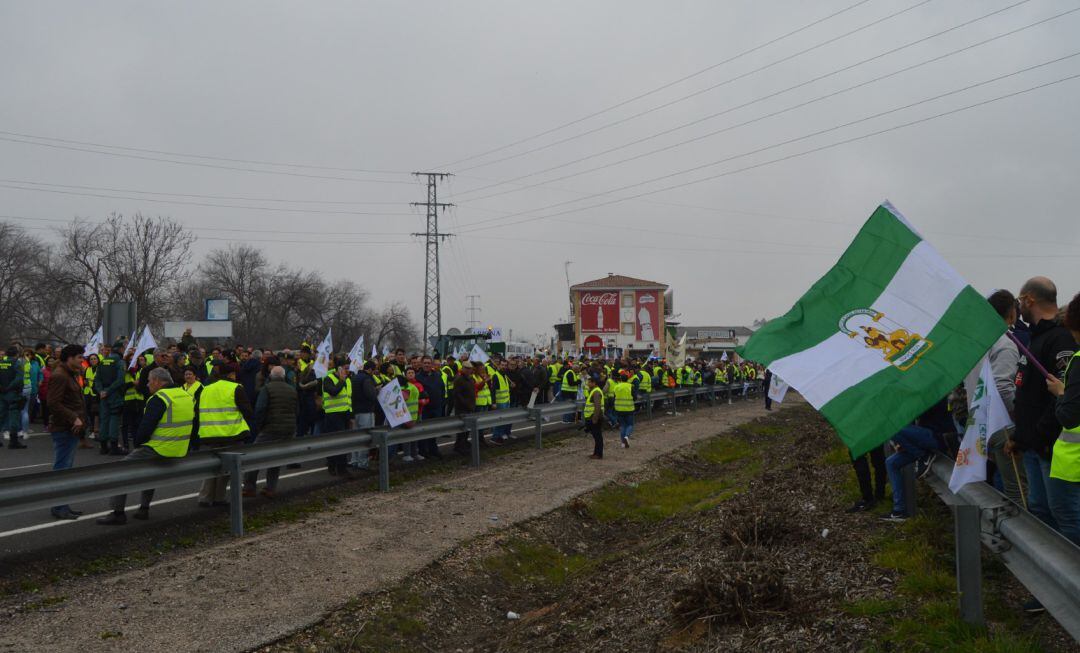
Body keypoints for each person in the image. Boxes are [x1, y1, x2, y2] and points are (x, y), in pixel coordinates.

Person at [1008, 277, 1077, 538]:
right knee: (1039, 509)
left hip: (1053, 448)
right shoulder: (1034, 339)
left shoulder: (1060, 339)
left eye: (1020, 299)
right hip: (1033, 446)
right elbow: (1028, 396)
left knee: (1064, 514)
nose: (1019, 306)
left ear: (1029, 300)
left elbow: (1062, 396)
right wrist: (1020, 437)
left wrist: (1038, 435)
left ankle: (1067, 575)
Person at [97, 367, 195, 524]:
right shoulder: (186, 395)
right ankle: (143, 509)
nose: (148, 385)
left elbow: (146, 427)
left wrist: (138, 444)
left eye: (149, 381)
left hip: (158, 447)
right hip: (178, 448)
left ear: (157, 381)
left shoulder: (159, 398)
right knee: (150, 472)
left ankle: (117, 513)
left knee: (119, 471)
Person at [967, 290, 1025, 505]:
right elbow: (1003, 387)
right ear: (1011, 314)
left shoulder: (977, 342)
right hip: (1002, 425)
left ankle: (992, 532)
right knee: (1017, 488)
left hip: (978, 421)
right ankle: (1014, 536)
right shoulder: (1006, 343)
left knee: (994, 483)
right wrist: (1019, 416)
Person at [1044, 291, 1080, 546]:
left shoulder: (1078, 361)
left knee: (1067, 517)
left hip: (1072, 463)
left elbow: (1068, 415)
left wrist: (1060, 393)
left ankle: (1069, 583)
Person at [882, 398, 953, 522]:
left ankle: (922, 457)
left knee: (893, 428)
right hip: (923, 442)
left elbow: (910, 415)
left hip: (937, 438)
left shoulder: (934, 396)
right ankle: (899, 510)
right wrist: (904, 442)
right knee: (891, 463)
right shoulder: (921, 396)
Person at [196, 361, 253, 506]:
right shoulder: (236, 388)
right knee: (227, 469)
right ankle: (219, 498)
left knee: (211, 468)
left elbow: (198, 411)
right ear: (232, 374)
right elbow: (247, 410)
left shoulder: (206, 389)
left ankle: (205, 497)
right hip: (231, 434)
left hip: (209, 434)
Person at [45, 344, 88, 519]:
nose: (82, 360)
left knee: (66, 469)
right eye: (79, 357)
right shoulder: (60, 376)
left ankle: (63, 505)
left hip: (70, 428)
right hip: (63, 428)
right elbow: (53, 403)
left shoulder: (70, 374)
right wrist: (73, 417)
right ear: (69, 358)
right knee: (62, 469)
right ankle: (59, 507)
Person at [242, 366, 297, 499]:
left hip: (270, 428)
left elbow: (260, 409)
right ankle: (271, 488)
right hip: (288, 429)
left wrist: (260, 426)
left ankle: (249, 487)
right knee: (276, 458)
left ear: (271, 376)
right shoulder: (292, 390)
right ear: (284, 377)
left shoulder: (266, 389)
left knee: (254, 456)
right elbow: (297, 411)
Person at [322, 357, 354, 476]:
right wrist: (341, 380)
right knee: (334, 442)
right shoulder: (328, 379)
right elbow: (333, 392)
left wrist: (350, 416)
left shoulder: (349, 380)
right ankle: (332, 464)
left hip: (345, 414)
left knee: (344, 442)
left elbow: (348, 399)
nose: (348, 371)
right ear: (339, 369)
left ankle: (342, 468)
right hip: (333, 415)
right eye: (346, 369)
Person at [94, 341, 125, 455]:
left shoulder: (102, 362)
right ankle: (114, 447)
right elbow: (120, 380)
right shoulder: (119, 362)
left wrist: (101, 391)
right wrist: (108, 391)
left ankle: (103, 447)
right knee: (114, 419)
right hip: (114, 394)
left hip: (103, 395)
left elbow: (97, 379)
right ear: (121, 349)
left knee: (104, 420)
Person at [350, 361, 380, 468]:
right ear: (370, 369)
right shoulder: (367, 379)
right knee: (365, 438)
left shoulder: (355, 378)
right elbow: (371, 395)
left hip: (355, 411)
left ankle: (354, 460)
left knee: (356, 438)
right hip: (366, 411)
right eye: (374, 369)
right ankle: (362, 462)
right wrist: (377, 391)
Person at [0, 346, 26, 448]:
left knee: (1, 415)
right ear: (16, 354)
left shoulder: (1, 363)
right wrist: (9, 387)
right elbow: (19, 379)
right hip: (13, 393)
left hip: (2, 394)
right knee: (14, 416)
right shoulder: (17, 363)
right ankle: (13, 441)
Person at [452, 363, 476, 454]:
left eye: (469, 369)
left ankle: (463, 444)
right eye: (466, 368)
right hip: (462, 408)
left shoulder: (470, 379)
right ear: (462, 368)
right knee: (462, 429)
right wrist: (466, 404)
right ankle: (459, 446)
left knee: (467, 429)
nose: (468, 370)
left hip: (469, 407)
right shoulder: (459, 379)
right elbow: (457, 394)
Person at [583, 374, 605, 459]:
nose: (588, 383)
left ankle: (599, 454)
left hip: (595, 418)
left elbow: (597, 406)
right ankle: (596, 453)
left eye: (589, 382)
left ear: (594, 383)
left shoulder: (596, 392)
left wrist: (594, 419)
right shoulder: (594, 391)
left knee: (598, 436)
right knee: (597, 436)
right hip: (593, 417)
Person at [613, 370, 635, 448]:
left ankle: (623, 443)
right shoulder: (631, 386)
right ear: (627, 379)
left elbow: (614, 397)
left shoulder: (616, 387)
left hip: (619, 409)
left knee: (622, 426)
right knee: (630, 424)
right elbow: (634, 397)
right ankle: (627, 436)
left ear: (621, 379)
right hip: (629, 408)